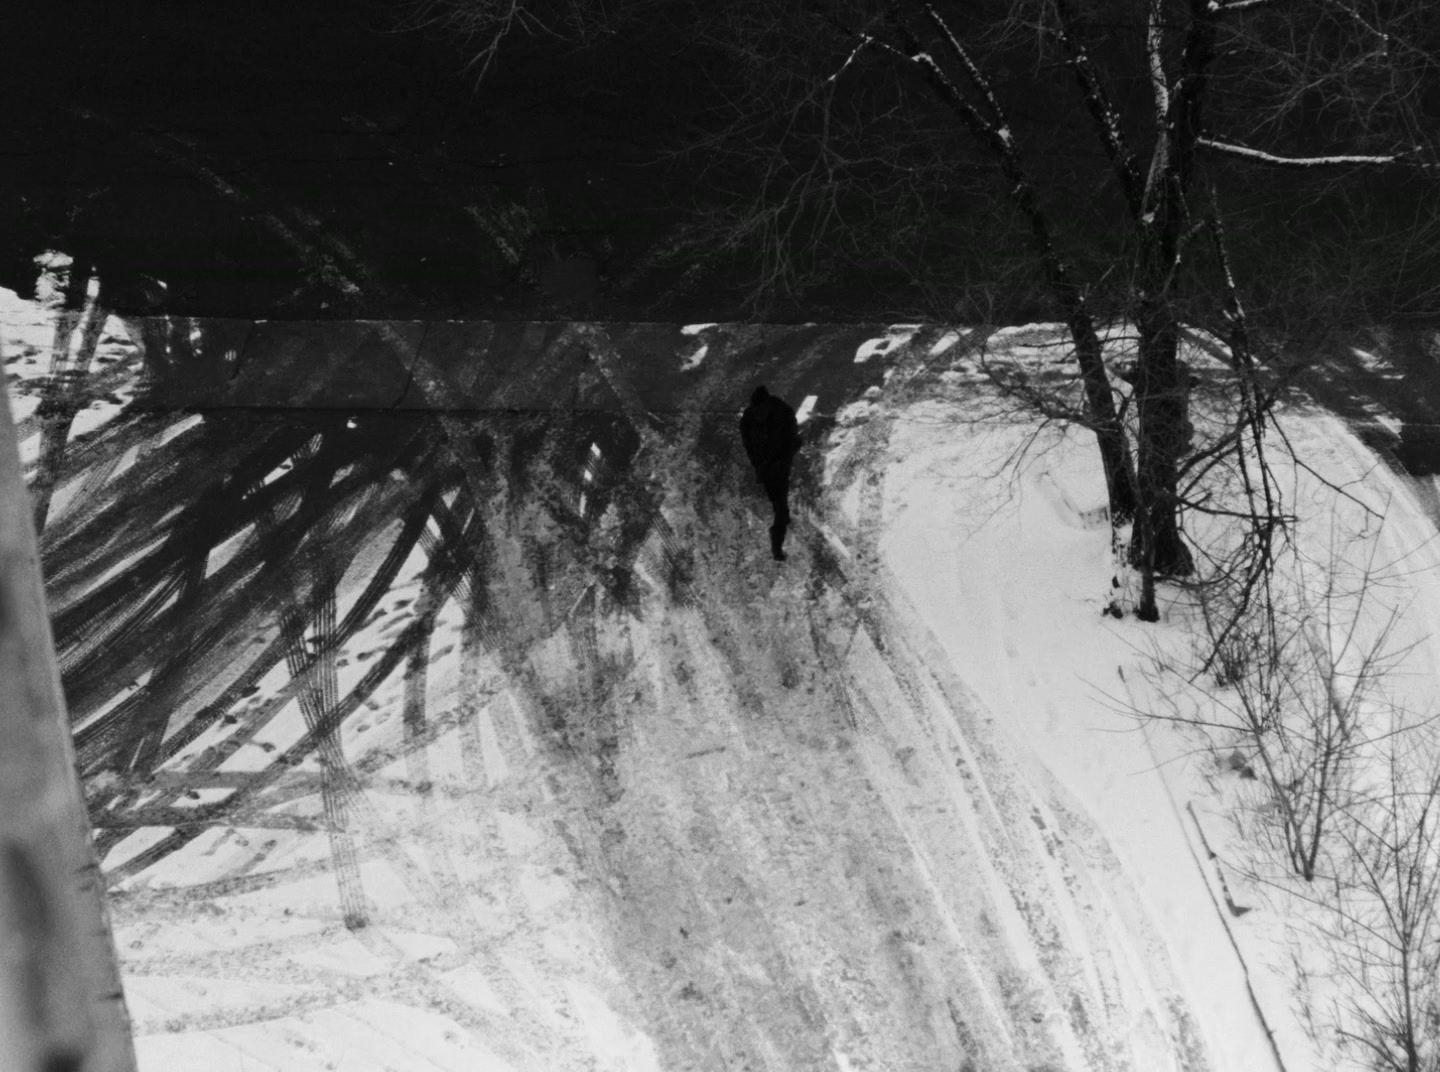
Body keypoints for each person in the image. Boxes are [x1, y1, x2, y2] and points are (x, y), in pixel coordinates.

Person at [739, 385, 802, 560]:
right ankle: (779, 537)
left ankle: (778, 545)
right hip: (767, 467)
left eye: (762, 411)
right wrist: (760, 465)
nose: (759, 415)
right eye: (756, 411)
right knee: (780, 508)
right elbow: (749, 446)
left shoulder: (783, 413)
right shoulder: (748, 419)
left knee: (781, 509)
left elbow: (792, 439)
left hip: (779, 465)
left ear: (767, 405)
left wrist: (782, 459)